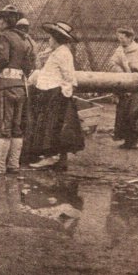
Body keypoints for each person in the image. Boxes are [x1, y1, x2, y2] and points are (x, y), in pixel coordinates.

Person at [0, 5, 35, 176]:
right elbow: (29, 65)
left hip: (5, 85)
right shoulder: (24, 39)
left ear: (4, 21)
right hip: (21, 86)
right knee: (16, 126)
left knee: (4, 125)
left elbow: (3, 59)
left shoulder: (4, 36)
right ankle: (13, 164)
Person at [27, 22, 85, 171]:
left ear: (57, 39)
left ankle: (51, 157)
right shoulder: (57, 52)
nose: (49, 41)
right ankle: (58, 158)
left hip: (57, 93)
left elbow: (68, 75)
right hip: (51, 91)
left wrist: (64, 93)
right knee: (55, 126)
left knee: (52, 126)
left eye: (51, 38)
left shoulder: (63, 53)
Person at [110, 27, 138, 149]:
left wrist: (131, 68)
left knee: (133, 112)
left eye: (123, 38)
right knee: (123, 112)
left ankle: (133, 139)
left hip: (135, 86)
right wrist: (119, 69)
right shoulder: (119, 50)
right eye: (118, 38)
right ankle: (126, 138)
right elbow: (113, 63)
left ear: (130, 38)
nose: (120, 40)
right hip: (123, 85)